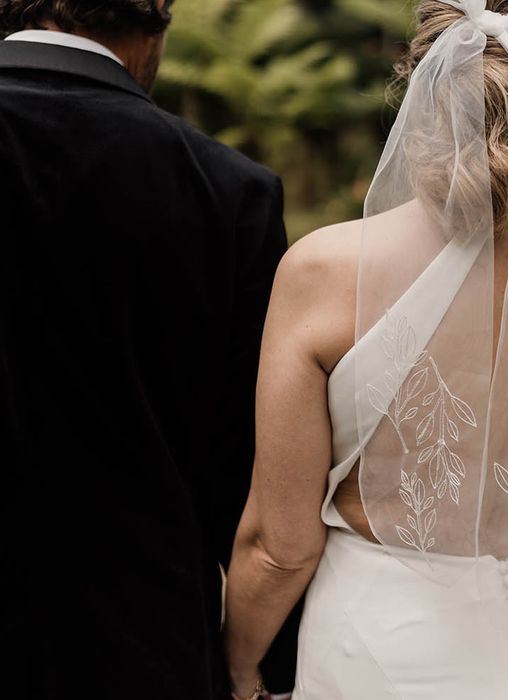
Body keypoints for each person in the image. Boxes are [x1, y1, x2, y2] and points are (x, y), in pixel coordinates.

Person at [225, 0, 508, 698]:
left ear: (422, 84)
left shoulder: (323, 275)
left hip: (386, 648)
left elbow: (280, 546)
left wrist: (238, 667)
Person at [0, 2, 287, 698]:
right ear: (155, 26)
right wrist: (265, 670)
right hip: (136, 648)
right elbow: (249, 478)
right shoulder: (230, 192)